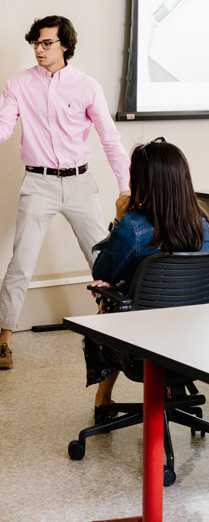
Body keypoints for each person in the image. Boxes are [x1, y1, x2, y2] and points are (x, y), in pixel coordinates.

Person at [0, 15, 130, 369]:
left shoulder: (86, 86)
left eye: (46, 43)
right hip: (39, 183)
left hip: (80, 183)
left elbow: (110, 140)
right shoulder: (18, 84)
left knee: (106, 262)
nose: (39, 49)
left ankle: (120, 330)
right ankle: (4, 339)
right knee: (21, 262)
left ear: (65, 45)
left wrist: (125, 188)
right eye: (35, 43)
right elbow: (1, 130)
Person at [85, 138, 209, 421]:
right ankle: (172, 388)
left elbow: (100, 272)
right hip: (194, 339)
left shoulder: (133, 226)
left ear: (142, 182)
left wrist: (117, 220)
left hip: (141, 341)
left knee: (107, 302)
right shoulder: (204, 224)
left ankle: (103, 398)